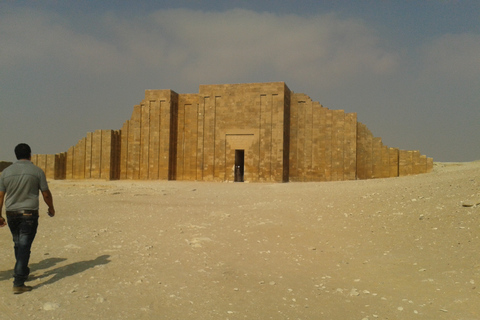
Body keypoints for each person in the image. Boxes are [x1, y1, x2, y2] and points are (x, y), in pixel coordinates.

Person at [0, 143, 55, 294]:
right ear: (30, 154)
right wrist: (51, 207)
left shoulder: (6, 172)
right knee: (24, 246)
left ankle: (22, 270)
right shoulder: (37, 171)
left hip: (11, 214)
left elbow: (0, 195)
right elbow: (45, 193)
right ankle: (18, 282)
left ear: (15, 155)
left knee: (18, 243)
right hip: (29, 214)